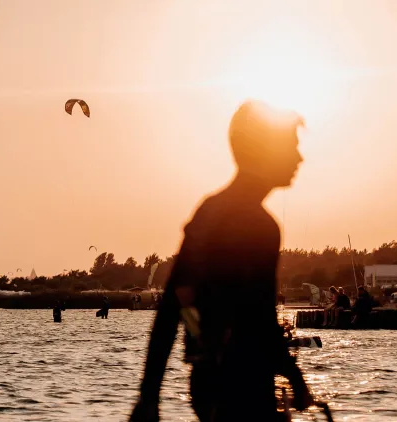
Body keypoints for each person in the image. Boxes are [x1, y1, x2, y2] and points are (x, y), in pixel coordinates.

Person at [131, 100, 313, 422]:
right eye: (291, 147)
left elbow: (174, 304)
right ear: (265, 151)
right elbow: (259, 319)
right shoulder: (260, 226)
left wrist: (149, 396)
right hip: (240, 384)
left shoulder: (210, 210)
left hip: (208, 381)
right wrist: (296, 379)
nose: (300, 157)